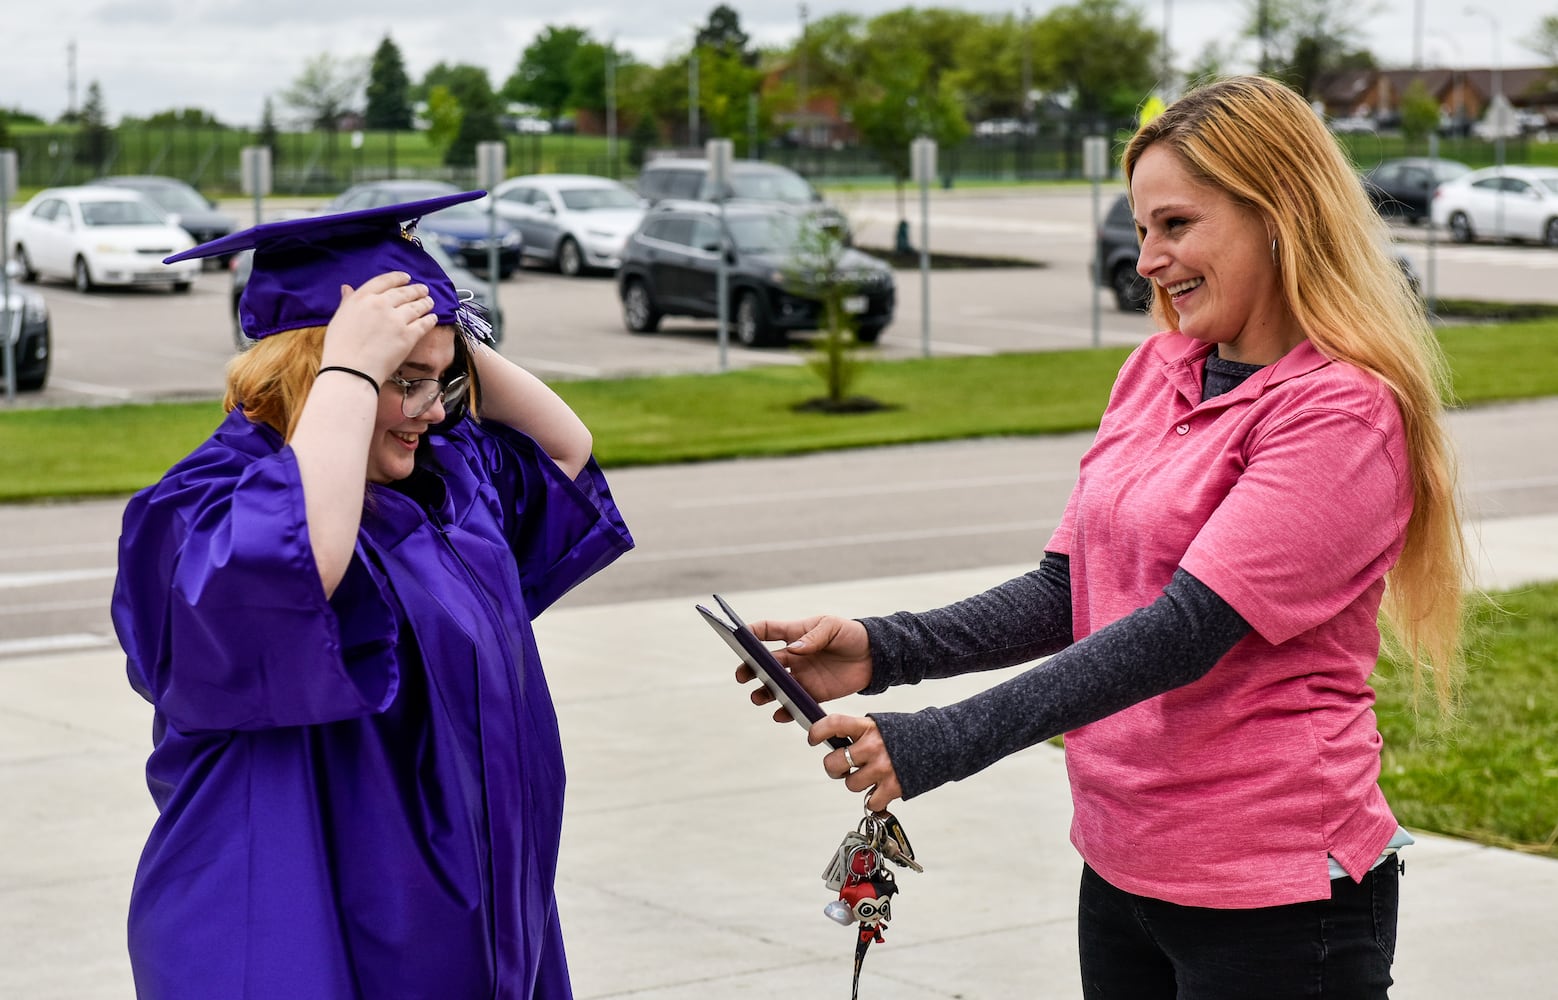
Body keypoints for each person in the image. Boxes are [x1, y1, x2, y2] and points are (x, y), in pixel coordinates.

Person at [738, 75, 1469, 998]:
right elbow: (1066, 588)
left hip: (1276, 897)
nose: (1149, 260)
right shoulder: (1157, 369)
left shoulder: (1341, 414)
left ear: (1278, 212)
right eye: (1141, 231)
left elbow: (1184, 633)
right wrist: (883, 649)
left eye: (1176, 225)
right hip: (1124, 867)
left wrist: (943, 740)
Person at [111, 192, 633, 999]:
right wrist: (353, 366)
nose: (432, 411)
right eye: (407, 383)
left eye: (442, 383)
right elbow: (297, 564)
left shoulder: (443, 484)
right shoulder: (201, 508)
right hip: (305, 928)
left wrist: (438, 330)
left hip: (464, 924)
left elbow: (563, 448)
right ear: (318, 372)